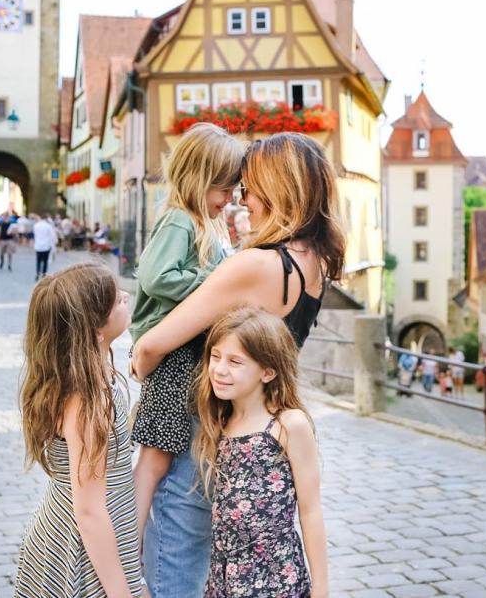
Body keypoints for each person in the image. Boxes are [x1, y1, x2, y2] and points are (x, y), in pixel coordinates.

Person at [131, 133, 345, 597]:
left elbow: (154, 342)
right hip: (249, 427)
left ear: (276, 190)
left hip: (196, 424)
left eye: (248, 189)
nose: (241, 200)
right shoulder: (314, 266)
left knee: (176, 562)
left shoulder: (255, 264)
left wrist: (145, 372)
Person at [130, 123, 242, 554]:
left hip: (186, 352)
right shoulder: (180, 219)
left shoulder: (207, 224)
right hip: (174, 354)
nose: (230, 198)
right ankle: (130, 541)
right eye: (224, 188)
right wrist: (216, 279)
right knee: (156, 456)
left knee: (164, 455)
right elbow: (158, 278)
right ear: (201, 179)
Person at [14, 263, 143, 598]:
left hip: (77, 534)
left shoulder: (85, 378)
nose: (126, 296)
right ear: (96, 329)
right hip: (82, 549)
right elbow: (89, 512)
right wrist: (123, 592)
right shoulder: (89, 400)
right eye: (117, 301)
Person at [196, 308, 327, 598]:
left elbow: (311, 509)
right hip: (224, 580)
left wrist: (321, 588)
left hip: (275, 579)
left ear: (268, 371)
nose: (218, 369)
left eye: (235, 362)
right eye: (215, 357)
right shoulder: (221, 422)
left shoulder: (287, 425)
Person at [33, 214, 57, 280]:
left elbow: (35, 235)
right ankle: (44, 274)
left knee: (38, 260)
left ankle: (37, 273)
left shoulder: (36, 225)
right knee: (45, 261)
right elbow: (52, 236)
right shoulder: (48, 226)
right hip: (46, 246)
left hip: (38, 246)